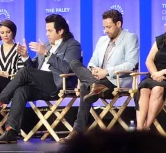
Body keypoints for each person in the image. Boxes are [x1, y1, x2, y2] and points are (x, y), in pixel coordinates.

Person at [0, 14, 81, 144]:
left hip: (56, 83)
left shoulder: (72, 45)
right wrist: (25, 56)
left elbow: (68, 68)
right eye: (46, 30)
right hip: (40, 85)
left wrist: (46, 53)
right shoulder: (47, 45)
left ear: (61, 31)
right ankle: (11, 131)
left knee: (24, 72)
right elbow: (32, 67)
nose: (47, 34)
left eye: (50, 31)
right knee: (21, 90)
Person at [59, 9, 139, 143]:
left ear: (118, 24)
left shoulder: (130, 37)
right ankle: (94, 84)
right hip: (97, 79)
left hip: (115, 81)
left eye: (109, 27)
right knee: (74, 63)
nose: (106, 30)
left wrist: (106, 71)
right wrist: (94, 70)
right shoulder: (102, 40)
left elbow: (131, 64)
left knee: (85, 86)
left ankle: (77, 132)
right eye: (104, 27)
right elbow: (92, 63)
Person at [134, 12, 166, 133]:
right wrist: (155, 74)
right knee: (144, 89)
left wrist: (163, 73)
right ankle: (140, 129)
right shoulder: (162, 39)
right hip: (154, 75)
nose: (165, 24)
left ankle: (147, 126)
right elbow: (149, 59)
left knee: (158, 89)